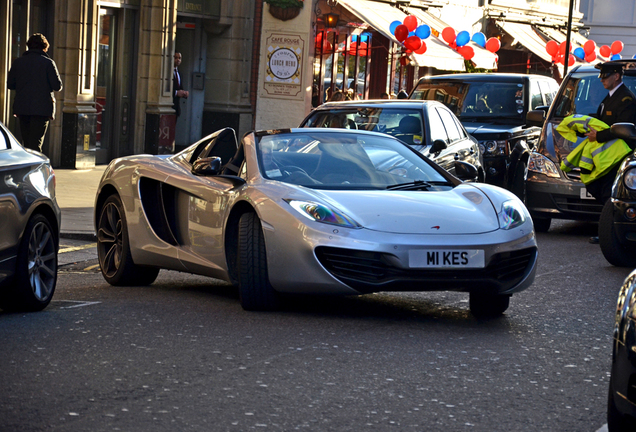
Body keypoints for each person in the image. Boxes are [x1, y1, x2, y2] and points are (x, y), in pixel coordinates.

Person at [583, 61, 636, 243]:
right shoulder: (609, 98)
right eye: (602, 76)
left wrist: (599, 135)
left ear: (617, 76)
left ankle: (610, 232)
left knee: (608, 190)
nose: (602, 80)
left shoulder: (625, 99)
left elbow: (621, 126)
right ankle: (609, 230)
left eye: (606, 76)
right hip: (607, 153)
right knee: (597, 186)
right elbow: (602, 120)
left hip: (619, 154)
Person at [7, 33, 63, 153]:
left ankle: (27, 168)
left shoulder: (18, 62)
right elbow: (57, 86)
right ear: (44, 46)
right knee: (36, 142)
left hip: (22, 108)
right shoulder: (48, 63)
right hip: (42, 109)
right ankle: (36, 168)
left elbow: (10, 84)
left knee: (26, 141)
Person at [173, 52, 189, 117]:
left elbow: (180, 87)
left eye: (179, 58)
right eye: (176, 58)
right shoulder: (168, 72)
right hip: (170, 105)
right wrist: (176, 93)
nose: (178, 60)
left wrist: (184, 93)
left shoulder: (179, 73)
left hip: (176, 108)